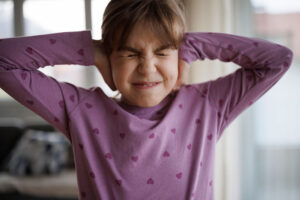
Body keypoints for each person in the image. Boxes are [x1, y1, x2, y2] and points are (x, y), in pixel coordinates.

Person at [0, 0, 294, 199]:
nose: (147, 66)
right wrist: (90, 50)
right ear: (108, 58)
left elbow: (278, 60)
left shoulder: (208, 105)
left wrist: (191, 45)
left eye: (163, 52)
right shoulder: (82, 111)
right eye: (130, 53)